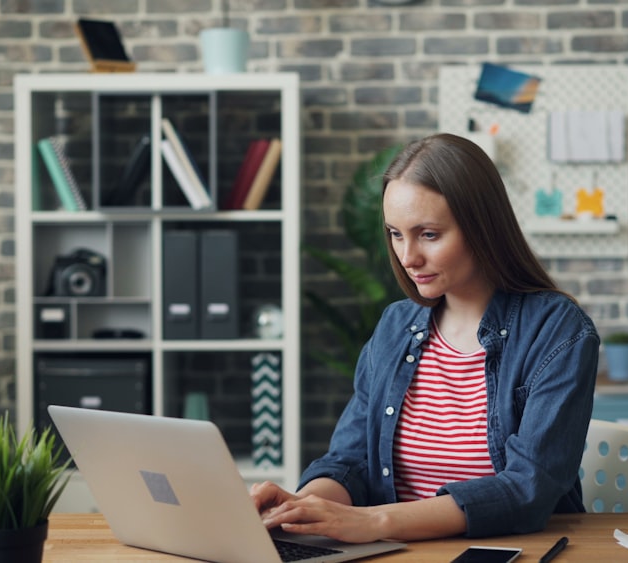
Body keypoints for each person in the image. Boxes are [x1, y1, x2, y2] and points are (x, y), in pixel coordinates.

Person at [251, 133, 600, 543]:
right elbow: (350, 461)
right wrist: (301, 509)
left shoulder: (557, 329)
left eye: (428, 234)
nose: (407, 257)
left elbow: (527, 488)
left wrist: (375, 522)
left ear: (482, 227)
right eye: (396, 234)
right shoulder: (396, 326)